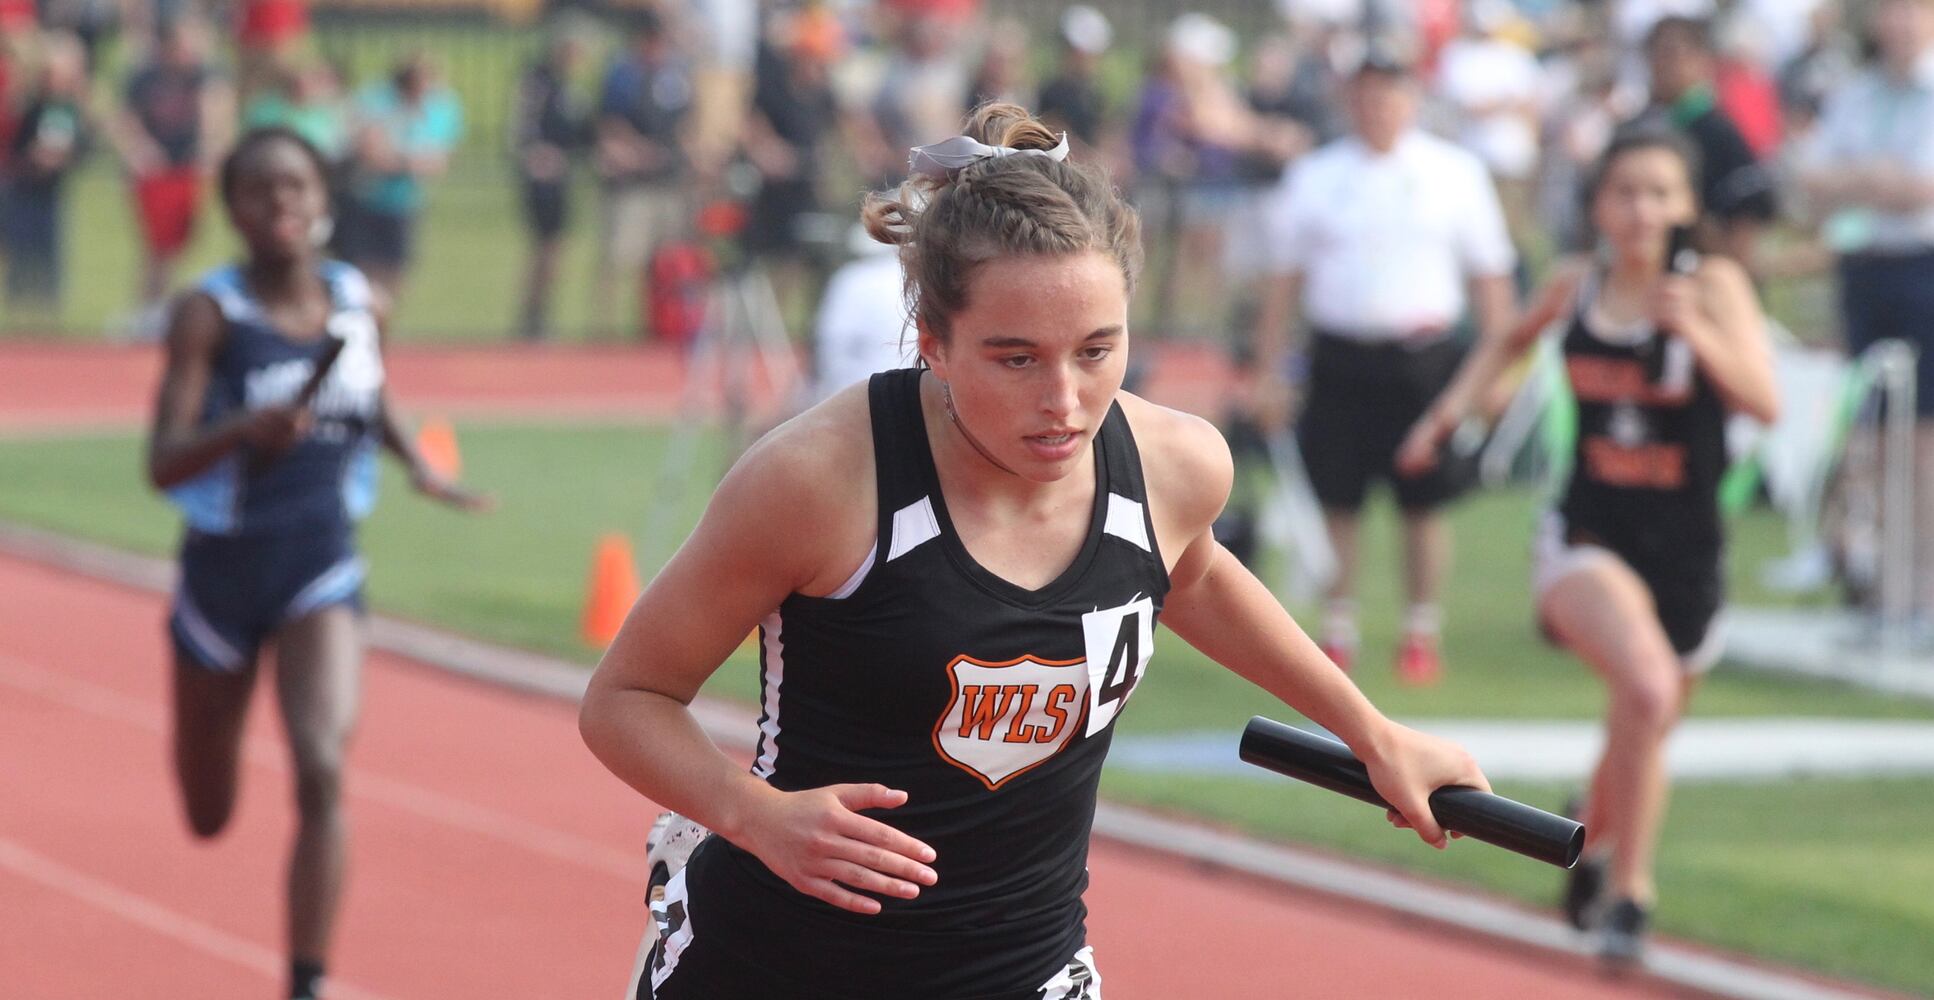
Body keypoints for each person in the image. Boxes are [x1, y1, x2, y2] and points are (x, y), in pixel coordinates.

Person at [578, 101, 1490, 1000]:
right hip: (777, 969)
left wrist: (1372, 734)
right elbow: (625, 699)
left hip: (1029, 972)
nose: (1064, 400)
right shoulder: (819, 482)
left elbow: (1196, 576)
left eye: (1098, 350)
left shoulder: (1173, 466)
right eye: (1016, 358)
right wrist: (755, 817)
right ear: (932, 339)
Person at [1396, 129, 1778, 965]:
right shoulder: (1576, 286)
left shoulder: (1712, 286)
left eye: (1659, 193)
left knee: (1647, 721)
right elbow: (1504, 338)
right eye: (1624, 192)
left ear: (1684, 207)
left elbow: (1767, 402)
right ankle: (1629, 892)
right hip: (1586, 536)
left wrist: (1702, 337)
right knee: (1643, 690)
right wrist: (1446, 417)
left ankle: (1589, 821)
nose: (1641, 210)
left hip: (1688, 552)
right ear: (1599, 204)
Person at [144, 127, 490, 1000]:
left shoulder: (357, 301)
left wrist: (419, 465)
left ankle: (307, 980)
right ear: (234, 211)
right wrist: (239, 429)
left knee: (324, 763)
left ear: (322, 199)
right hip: (220, 579)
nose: (282, 205)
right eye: (260, 192)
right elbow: (162, 461)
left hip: (320, 565)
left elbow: (370, 394)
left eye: (296, 188)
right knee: (207, 812)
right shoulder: (210, 314)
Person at [1251, 44, 1518, 684]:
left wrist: (1499, 368)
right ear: (1351, 101)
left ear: (1412, 100)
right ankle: (1337, 626)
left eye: (1391, 95)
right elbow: (1282, 284)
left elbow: (1491, 280)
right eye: (1366, 96)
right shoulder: (1316, 175)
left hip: (1424, 358)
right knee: (1338, 498)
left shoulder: (1454, 173)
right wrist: (1267, 370)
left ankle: (1420, 629)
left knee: (1421, 503)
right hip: (1341, 354)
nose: (1378, 109)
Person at [1796, 0, 1934, 630]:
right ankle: (1880, 579)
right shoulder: (1858, 93)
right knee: (1869, 426)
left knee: (1923, 430)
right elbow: (1814, 177)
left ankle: (1921, 581)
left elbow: (1918, 188)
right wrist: (1873, 181)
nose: (1899, 26)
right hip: (1866, 263)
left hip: (1921, 264)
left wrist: (1871, 182)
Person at [116, 15, 233, 336]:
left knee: (195, 242)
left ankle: (194, 314)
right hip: (158, 171)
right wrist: (139, 150)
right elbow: (126, 118)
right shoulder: (145, 77)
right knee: (158, 247)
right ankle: (151, 311)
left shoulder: (207, 77)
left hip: (190, 169)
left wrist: (210, 152)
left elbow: (217, 117)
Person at [1633, 16, 1778, 275]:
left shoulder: (1719, 132)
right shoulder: (1640, 129)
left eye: (1674, 54)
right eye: (1655, 54)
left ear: (1703, 60)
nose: (1663, 65)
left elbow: (1745, 222)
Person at [593, 7, 693, 339]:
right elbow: (610, 122)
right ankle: (604, 329)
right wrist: (636, 150)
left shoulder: (674, 74)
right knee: (620, 257)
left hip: (668, 178)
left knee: (662, 261)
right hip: (633, 180)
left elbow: (685, 121)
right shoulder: (623, 74)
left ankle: (653, 327)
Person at [336, 51, 462, 302]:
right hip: (361, 197)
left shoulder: (442, 106)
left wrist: (400, 161)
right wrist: (409, 162)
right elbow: (370, 153)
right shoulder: (376, 101)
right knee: (359, 270)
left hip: (403, 201)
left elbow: (439, 160)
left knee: (396, 270)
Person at [510, 18, 591, 341]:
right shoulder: (538, 81)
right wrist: (537, 155)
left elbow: (584, 134)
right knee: (543, 249)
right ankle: (531, 316)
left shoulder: (573, 88)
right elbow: (522, 130)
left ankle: (541, 314)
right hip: (541, 180)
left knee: (555, 251)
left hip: (562, 179)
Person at [1, 31, 89, 314]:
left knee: (46, 247)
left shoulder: (65, 107)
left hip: (47, 189)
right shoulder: (33, 104)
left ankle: (44, 304)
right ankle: (21, 301)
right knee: (20, 246)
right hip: (21, 185)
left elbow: (70, 147)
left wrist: (55, 157)